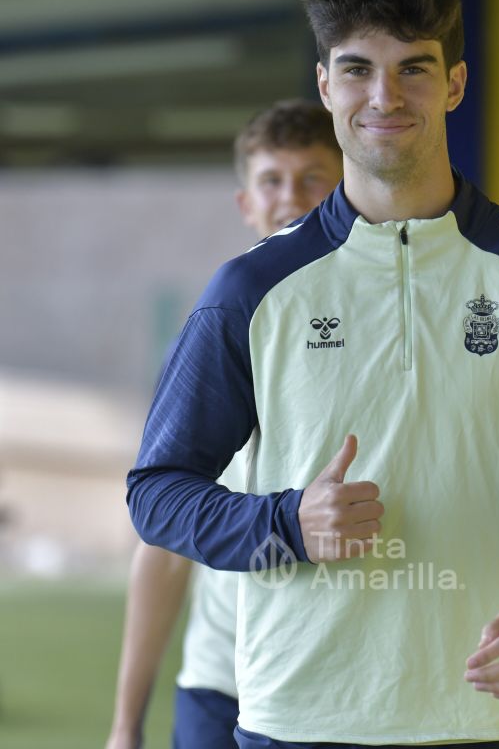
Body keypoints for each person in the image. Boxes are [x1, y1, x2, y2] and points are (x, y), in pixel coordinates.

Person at [126, 0, 499, 748]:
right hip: (300, 721)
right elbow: (157, 491)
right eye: (358, 69)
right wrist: (286, 525)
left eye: (413, 68)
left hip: (498, 720)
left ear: (455, 84)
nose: (384, 96)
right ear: (327, 84)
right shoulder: (249, 289)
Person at [106, 100, 343, 749]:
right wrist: (126, 722)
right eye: (272, 180)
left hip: (341, 685)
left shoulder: (383, 329)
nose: (291, 197)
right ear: (247, 203)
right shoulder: (209, 336)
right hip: (222, 683)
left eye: (312, 178)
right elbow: (161, 544)